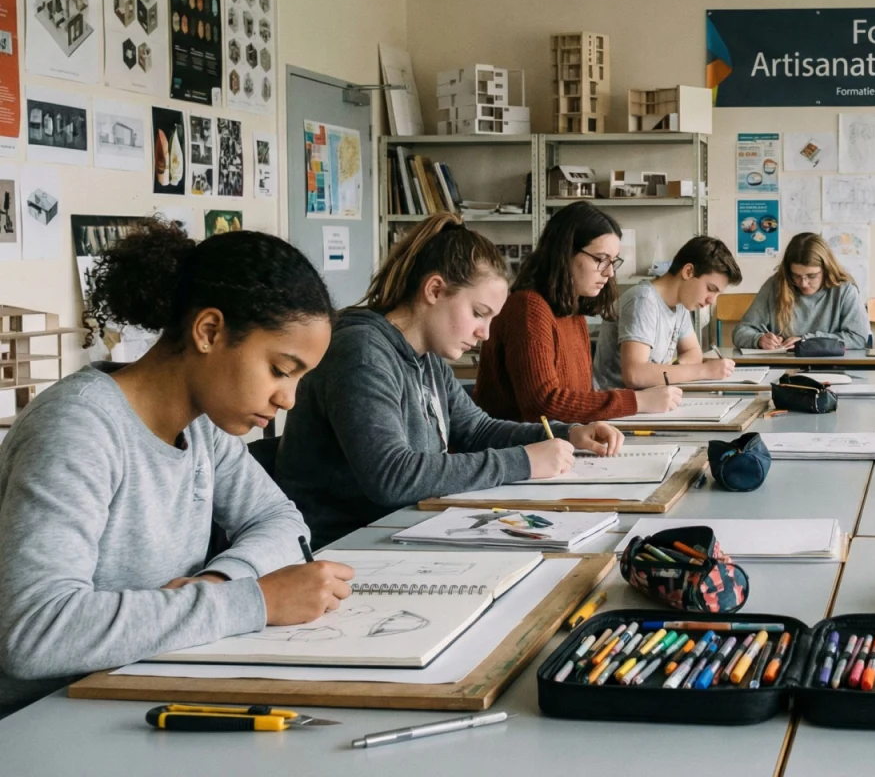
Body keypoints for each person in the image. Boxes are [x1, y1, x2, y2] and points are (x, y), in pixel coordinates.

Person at [0, 222, 352, 714]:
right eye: (279, 369)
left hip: (138, 691)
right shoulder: (76, 429)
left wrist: (219, 584)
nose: (288, 399)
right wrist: (257, 602)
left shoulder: (204, 427)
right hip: (43, 719)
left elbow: (281, 521)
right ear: (209, 332)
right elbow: (36, 631)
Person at [277, 213, 623, 547]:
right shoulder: (361, 352)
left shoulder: (427, 356)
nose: (485, 333)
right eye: (478, 314)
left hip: (404, 528)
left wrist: (569, 433)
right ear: (435, 290)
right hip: (345, 546)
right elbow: (392, 476)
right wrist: (525, 461)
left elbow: (478, 431)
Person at [475, 201, 681, 423]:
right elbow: (542, 406)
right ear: (565, 252)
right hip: (518, 450)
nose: (610, 272)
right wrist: (639, 401)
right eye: (601, 259)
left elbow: (580, 398)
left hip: (561, 444)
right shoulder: (527, 307)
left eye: (613, 261)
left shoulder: (573, 312)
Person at [596, 235, 742, 388]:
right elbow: (635, 375)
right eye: (711, 289)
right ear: (688, 271)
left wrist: (670, 372)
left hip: (651, 400)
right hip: (617, 404)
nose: (711, 300)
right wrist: (703, 370)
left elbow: (693, 353)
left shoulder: (681, 304)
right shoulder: (643, 301)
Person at [733, 233, 870, 351]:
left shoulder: (844, 290)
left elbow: (860, 338)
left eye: (812, 276)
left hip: (833, 366)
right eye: (796, 276)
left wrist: (809, 341)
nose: (803, 284)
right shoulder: (776, 285)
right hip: (782, 367)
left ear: (826, 269)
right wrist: (759, 340)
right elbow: (741, 332)